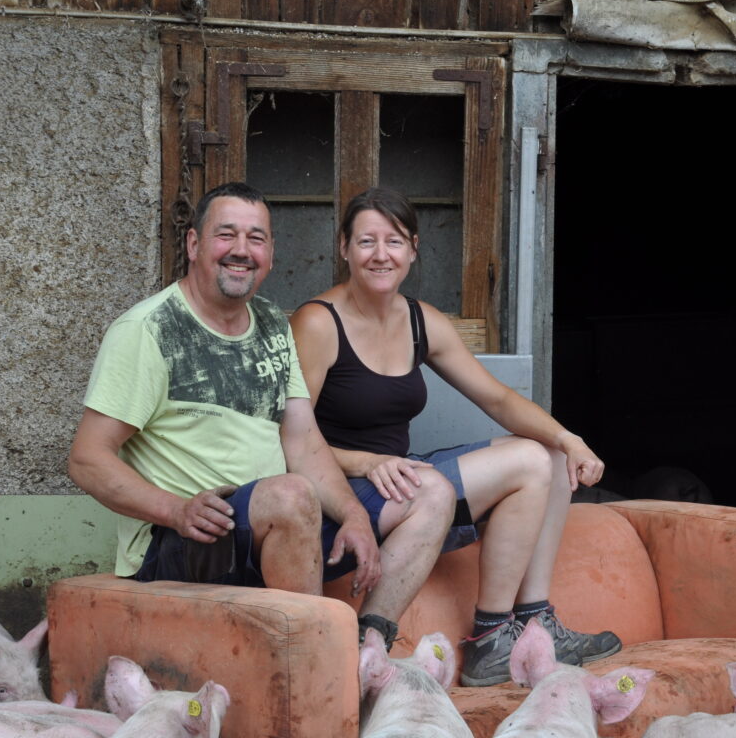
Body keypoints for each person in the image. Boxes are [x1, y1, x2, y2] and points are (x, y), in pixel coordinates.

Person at [68, 182, 454, 648]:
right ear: (194, 245)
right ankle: (314, 662)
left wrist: (353, 515)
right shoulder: (149, 331)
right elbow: (87, 458)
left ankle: (367, 646)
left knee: (419, 491)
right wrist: (174, 510)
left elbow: (303, 440)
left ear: (270, 253)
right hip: (186, 539)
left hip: (270, 527)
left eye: (256, 238)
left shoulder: (271, 321)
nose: (241, 251)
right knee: (291, 495)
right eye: (225, 235)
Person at [289, 186, 621, 685]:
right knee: (530, 462)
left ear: (414, 249)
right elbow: (289, 438)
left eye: (395, 242)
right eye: (366, 242)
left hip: (405, 483)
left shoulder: (422, 320)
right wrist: (363, 461)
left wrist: (570, 438)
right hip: (344, 494)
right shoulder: (318, 322)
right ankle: (490, 637)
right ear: (343, 249)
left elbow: (499, 400)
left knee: (548, 456)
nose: (381, 255)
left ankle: (533, 623)